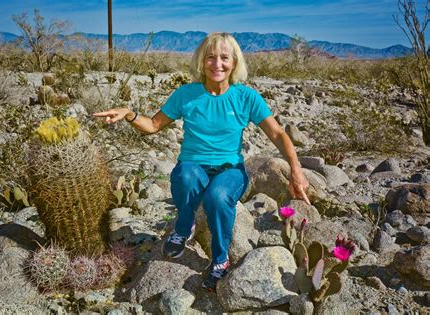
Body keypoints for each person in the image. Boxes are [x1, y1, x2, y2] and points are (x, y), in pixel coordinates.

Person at [94, 32, 310, 291]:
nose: (217, 64)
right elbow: (152, 125)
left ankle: (220, 260)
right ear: (201, 61)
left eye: (224, 58)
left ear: (234, 62)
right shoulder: (187, 95)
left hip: (231, 170)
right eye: (210, 57)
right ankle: (184, 228)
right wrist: (129, 113)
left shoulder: (246, 97)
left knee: (217, 197)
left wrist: (296, 170)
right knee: (184, 176)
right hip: (194, 167)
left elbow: (277, 133)